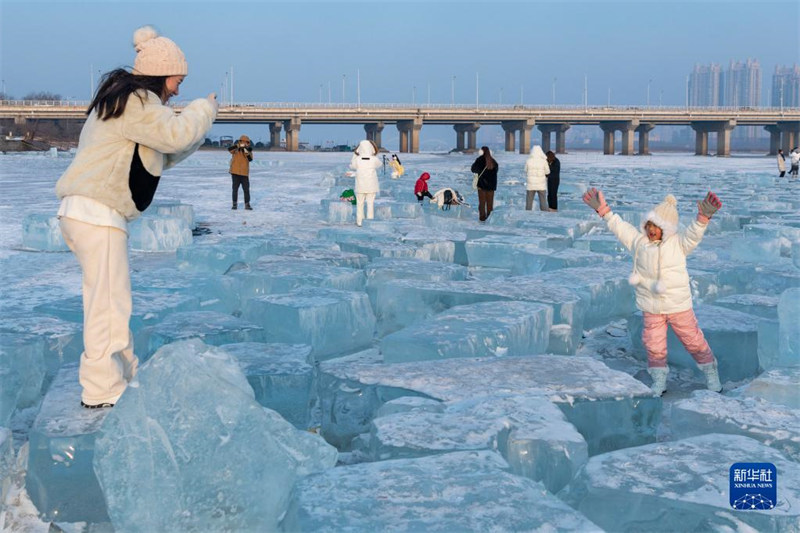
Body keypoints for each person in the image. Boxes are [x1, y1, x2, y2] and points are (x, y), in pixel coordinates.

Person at [55, 25, 217, 408]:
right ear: (162, 74)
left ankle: (124, 372)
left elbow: (166, 150)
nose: (177, 90)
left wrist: (193, 130)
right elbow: (175, 134)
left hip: (89, 212)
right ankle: (101, 388)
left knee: (114, 300)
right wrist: (204, 110)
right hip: (96, 213)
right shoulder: (137, 102)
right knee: (108, 304)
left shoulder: (127, 103)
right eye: (178, 81)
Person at [582, 188, 724, 396]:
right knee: (654, 345)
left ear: (666, 229)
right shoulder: (639, 243)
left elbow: (693, 235)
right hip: (651, 307)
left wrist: (703, 218)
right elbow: (621, 229)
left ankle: (711, 374)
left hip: (678, 306)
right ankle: (659, 381)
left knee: (694, 341)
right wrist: (604, 212)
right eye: (649, 225)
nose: (651, 230)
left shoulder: (678, 243)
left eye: (656, 227)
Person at [350, 139, 381, 226]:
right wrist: (373, 154)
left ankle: (359, 222)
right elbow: (380, 164)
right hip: (371, 186)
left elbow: (352, 166)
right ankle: (369, 222)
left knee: (360, 204)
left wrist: (355, 155)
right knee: (370, 204)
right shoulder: (374, 159)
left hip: (360, 186)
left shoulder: (357, 160)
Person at [471, 146, 498, 221]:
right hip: (491, 186)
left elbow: (473, 169)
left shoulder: (479, 160)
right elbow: (496, 171)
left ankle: (482, 218)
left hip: (482, 185)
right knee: (490, 204)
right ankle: (489, 218)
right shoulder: (493, 161)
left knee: (482, 203)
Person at [229, 134, 253, 210]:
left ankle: (247, 204)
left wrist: (245, 149)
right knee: (235, 189)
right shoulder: (235, 149)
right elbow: (229, 149)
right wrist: (238, 146)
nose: (244, 143)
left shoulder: (249, 150)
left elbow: (250, 159)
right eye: (243, 142)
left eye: (246, 142)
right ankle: (234, 204)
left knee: (246, 190)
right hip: (235, 172)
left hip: (244, 173)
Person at [523, 145, 550, 211]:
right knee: (543, 202)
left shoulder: (528, 161)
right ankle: (545, 214)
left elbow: (525, 170)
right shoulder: (544, 161)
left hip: (531, 184)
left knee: (529, 202)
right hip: (541, 184)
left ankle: (527, 214)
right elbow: (547, 172)